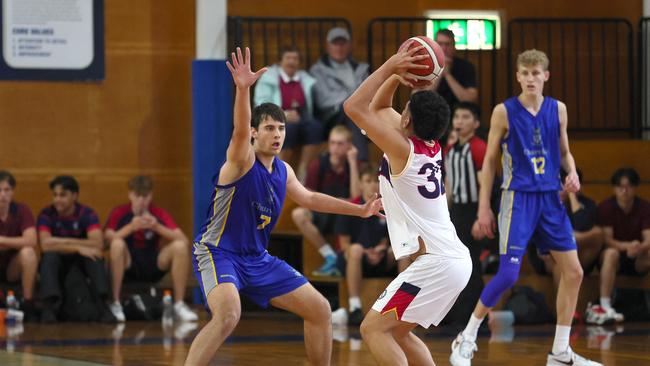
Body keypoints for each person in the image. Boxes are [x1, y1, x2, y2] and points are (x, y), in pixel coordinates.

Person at [184, 47, 382, 366]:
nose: (276, 135)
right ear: (254, 133)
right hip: (219, 252)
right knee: (228, 314)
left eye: (281, 129)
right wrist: (243, 89)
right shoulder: (240, 161)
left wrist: (358, 209)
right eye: (269, 128)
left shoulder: (284, 171)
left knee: (319, 310)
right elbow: (237, 130)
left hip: (257, 259)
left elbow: (311, 199)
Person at [448, 49, 602, 366]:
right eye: (525, 73)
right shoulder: (503, 112)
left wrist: (571, 173)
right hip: (517, 197)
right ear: (518, 76)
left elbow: (565, 152)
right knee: (508, 274)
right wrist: (483, 209)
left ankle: (560, 351)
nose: (530, 78)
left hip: (550, 199)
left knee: (573, 271)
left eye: (536, 73)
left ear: (546, 76)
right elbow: (489, 162)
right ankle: (468, 336)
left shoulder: (558, 110)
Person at [343, 43, 472, 366]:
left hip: (437, 266)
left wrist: (391, 65)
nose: (400, 113)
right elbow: (382, 105)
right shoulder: (429, 145)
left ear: (407, 120)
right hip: (451, 262)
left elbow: (354, 107)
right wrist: (399, 76)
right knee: (398, 331)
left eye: (406, 110)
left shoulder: (403, 149)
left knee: (373, 329)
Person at [105, 175, 197, 322]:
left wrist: (157, 227)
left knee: (179, 247)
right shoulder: (120, 212)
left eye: (145, 196)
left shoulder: (158, 213)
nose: (141, 201)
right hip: (128, 264)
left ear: (151, 196)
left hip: (152, 263)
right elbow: (107, 239)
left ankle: (179, 304)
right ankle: (115, 303)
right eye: (137, 196)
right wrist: (130, 227)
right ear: (130, 195)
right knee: (117, 244)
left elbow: (184, 240)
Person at [37, 175, 114, 323]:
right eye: (55, 195)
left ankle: (103, 305)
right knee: (49, 257)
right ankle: (49, 309)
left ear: (75, 196)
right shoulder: (47, 214)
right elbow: (45, 244)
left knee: (95, 255)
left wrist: (61, 242)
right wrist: (78, 247)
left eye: (62, 195)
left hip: (80, 263)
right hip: (58, 262)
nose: (57, 200)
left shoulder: (87, 213)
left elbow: (98, 243)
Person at [331, 165, 397, 326]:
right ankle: (355, 307)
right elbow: (344, 244)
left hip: (380, 257)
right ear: (360, 184)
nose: (373, 185)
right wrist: (366, 252)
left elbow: (389, 238)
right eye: (368, 181)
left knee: (402, 252)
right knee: (355, 249)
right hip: (353, 259)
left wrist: (384, 248)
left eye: (376, 181)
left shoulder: (390, 208)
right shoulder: (350, 208)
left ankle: (402, 306)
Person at [291, 125, 360, 276]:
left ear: (349, 145)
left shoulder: (354, 164)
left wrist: (353, 162)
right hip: (323, 211)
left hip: (346, 213)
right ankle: (330, 256)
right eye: (332, 143)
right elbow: (307, 194)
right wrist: (333, 202)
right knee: (298, 214)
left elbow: (356, 197)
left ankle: (342, 264)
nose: (335, 148)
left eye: (340, 143)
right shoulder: (318, 164)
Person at [442, 102, 487, 329]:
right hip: (457, 212)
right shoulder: (451, 150)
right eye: (457, 116)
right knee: (456, 264)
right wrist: (443, 214)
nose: (459, 121)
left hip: (474, 210)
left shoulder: (478, 148)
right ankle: (458, 315)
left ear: (476, 123)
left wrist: (482, 216)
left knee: (471, 265)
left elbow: (484, 184)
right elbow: (449, 185)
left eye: (465, 117)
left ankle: (473, 319)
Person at [527, 169, 604, 290]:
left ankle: (567, 240)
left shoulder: (587, 203)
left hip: (577, 253)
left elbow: (582, 226)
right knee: (561, 263)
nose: (562, 190)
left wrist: (573, 197)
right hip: (546, 257)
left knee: (598, 233)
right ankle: (566, 309)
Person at [254, 46, 323, 181]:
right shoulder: (268, 78)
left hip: (302, 117)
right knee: (287, 130)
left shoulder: (306, 79)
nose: (292, 62)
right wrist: (283, 115)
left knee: (316, 127)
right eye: (288, 58)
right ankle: (278, 173)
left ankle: (303, 173)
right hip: (276, 118)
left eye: (295, 59)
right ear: (280, 61)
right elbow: (261, 104)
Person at [596, 168, 650, 323]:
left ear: (635, 188)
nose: (624, 191)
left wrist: (639, 247)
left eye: (629, 187)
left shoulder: (645, 207)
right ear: (614, 188)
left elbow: (648, 238)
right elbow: (606, 239)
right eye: (620, 187)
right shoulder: (606, 207)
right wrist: (627, 246)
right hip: (615, 258)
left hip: (638, 256)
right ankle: (605, 305)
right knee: (611, 253)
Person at [310, 27, 370, 162]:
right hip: (330, 116)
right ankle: (363, 163)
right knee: (350, 112)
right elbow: (323, 100)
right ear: (328, 46)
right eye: (335, 43)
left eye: (342, 43)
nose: (339, 47)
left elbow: (369, 94)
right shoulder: (318, 70)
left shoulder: (361, 69)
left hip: (358, 113)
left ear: (349, 46)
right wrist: (352, 98)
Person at [0, 171, 38, 319]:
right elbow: (22, 240)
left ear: (12, 192)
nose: (3, 195)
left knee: (28, 252)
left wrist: (2, 240)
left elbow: (31, 240)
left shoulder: (22, 210)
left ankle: (27, 303)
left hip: (11, 267)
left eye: (7, 190)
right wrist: (15, 242)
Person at [433, 29, 478, 108]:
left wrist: (447, 75)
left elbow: (470, 100)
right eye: (440, 44)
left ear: (454, 46)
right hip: (432, 115)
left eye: (447, 44)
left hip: (458, 116)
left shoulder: (466, 66)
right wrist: (440, 71)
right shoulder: (426, 65)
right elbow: (418, 96)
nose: (443, 48)